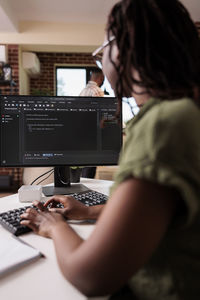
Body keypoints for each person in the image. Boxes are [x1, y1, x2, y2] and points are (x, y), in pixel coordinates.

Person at [21, 0, 200, 298]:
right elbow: (159, 212)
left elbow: (90, 275)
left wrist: (51, 225)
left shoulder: (164, 124)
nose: (101, 59)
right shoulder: (188, 110)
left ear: (124, 47)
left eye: (102, 50)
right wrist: (89, 210)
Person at [79, 67, 105, 178]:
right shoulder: (97, 91)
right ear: (100, 78)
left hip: (82, 131)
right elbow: (99, 113)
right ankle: (89, 190)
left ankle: (82, 186)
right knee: (91, 163)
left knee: (84, 163)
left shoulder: (83, 91)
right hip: (92, 132)